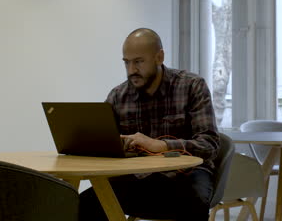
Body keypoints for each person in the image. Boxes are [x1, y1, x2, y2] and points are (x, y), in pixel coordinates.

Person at [79, 28, 220, 221]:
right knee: (84, 205)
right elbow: (104, 143)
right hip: (138, 177)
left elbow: (209, 145)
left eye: (138, 62)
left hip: (187, 174)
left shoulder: (191, 86)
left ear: (159, 57)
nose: (131, 71)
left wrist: (161, 145)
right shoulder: (118, 96)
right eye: (126, 62)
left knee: (193, 202)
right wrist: (111, 145)